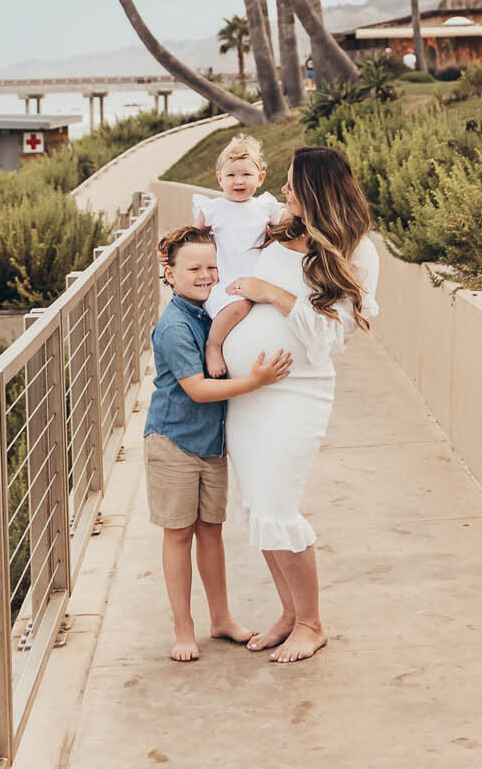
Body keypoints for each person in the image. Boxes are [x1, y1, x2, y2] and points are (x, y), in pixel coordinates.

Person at [222, 145, 380, 664]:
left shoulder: (357, 252)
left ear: (314, 190)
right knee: (257, 508)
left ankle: (312, 624)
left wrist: (273, 293)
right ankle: (288, 615)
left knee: (278, 505)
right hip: (249, 396)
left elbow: (331, 338)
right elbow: (223, 226)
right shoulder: (280, 229)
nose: (283, 192)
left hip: (296, 394)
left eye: (291, 185)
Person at [147, 224, 291, 662]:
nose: (206, 274)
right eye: (193, 267)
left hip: (210, 443)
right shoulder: (174, 325)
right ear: (169, 273)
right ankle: (183, 628)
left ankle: (221, 617)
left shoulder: (210, 312)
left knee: (211, 530)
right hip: (173, 441)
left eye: (212, 265)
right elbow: (196, 389)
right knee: (179, 535)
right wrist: (255, 382)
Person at [192, 135, 283, 380]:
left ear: (260, 178)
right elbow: (191, 238)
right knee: (240, 304)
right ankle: (214, 345)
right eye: (231, 175)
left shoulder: (265, 207)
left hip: (257, 278)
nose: (238, 181)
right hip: (228, 283)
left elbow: (287, 227)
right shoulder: (213, 209)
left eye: (246, 175)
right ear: (220, 178)